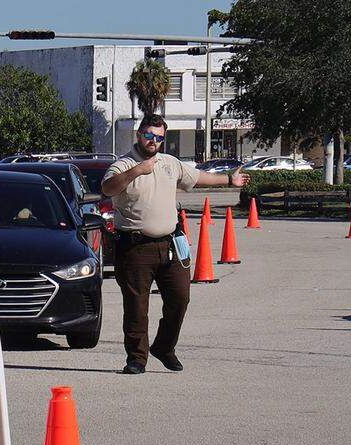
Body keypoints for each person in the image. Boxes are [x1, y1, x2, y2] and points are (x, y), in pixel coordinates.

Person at [101, 114, 249, 374]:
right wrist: (136, 171)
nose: (153, 141)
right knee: (137, 307)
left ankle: (164, 347)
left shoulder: (170, 163)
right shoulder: (123, 165)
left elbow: (197, 177)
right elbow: (108, 188)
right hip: (135, 247)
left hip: (169, 245)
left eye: (159, 137)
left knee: (180, 298)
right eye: (149, 135)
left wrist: (229, 180)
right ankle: (136, 358)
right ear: (139, 135)